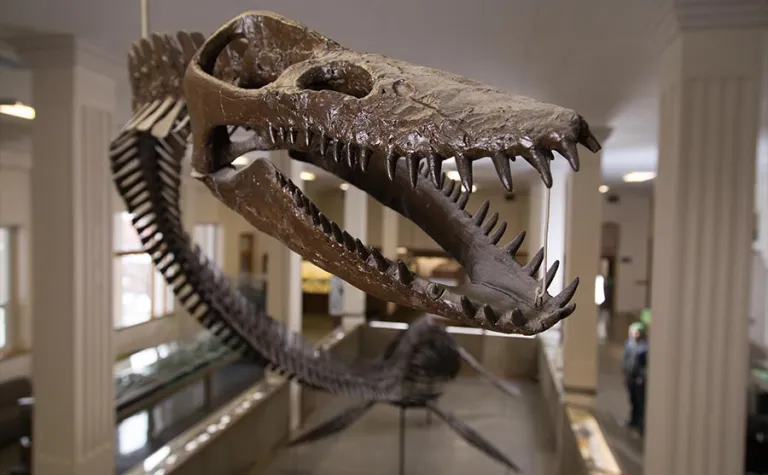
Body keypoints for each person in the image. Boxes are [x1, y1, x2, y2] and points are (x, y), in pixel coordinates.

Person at [623, 321, 648, 434]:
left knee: (640, 402)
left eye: (637, 332)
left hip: (639, 378)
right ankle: (633, 421)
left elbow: (645, 365)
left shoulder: (645, 347)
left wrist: (642, 377)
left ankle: (640, 424)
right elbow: (626, 359)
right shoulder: (629, 344)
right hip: (630, 376)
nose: (634, 334)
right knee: (632, 399)